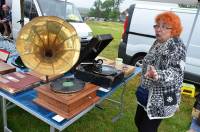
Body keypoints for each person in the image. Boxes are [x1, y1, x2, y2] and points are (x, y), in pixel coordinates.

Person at [134, 11, 186, 132]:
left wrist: (158, 75)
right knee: (138, 121)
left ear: (173, 30)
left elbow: (176, 73)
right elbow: (150, 60)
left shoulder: (177, 46)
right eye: (157, 25)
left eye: (164, 26)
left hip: (161, 97)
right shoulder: (158, 42)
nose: (158, 29)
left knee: (146, 129)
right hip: (146, 93)